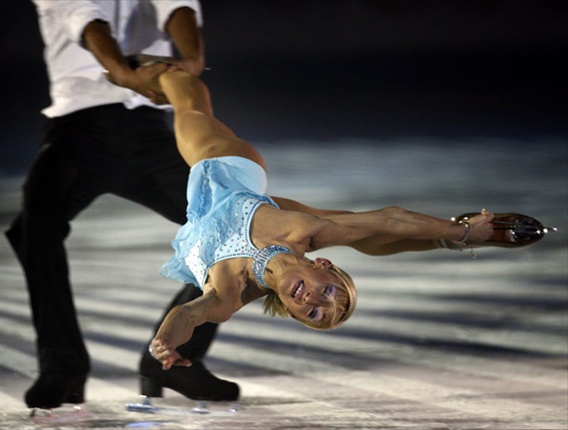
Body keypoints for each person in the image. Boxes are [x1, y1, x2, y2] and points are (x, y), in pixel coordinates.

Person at [146, 69, 550, 370]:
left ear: (291, 311)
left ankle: (447, 242)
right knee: (189, 102)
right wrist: (462, 228)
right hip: (228, 171)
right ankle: (168, 68)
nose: (313, 301)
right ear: (321, 266)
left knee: (347, 227)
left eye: (314, 313)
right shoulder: (300, 231)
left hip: (220, 207)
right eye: (327, 293)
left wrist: (164, 342)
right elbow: (388, 220)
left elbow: (188, 316)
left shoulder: (228, 296)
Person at [5, 0, 238, 410]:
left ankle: (175, 358)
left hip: (146, 131)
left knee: (235, 230)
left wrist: (192, 59)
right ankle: (62, 366)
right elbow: (84, 16)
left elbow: (177, 6)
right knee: (34, 229)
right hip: (79, 129)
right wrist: (125, 74)